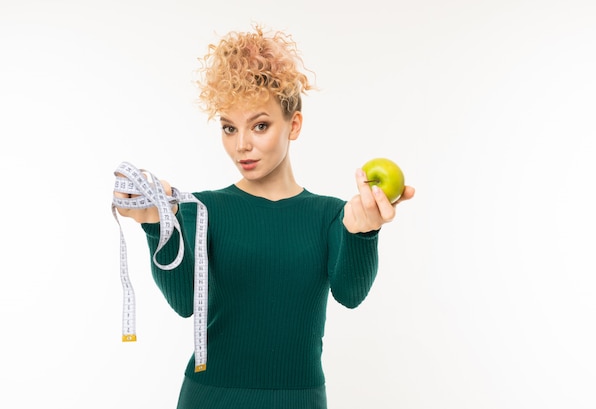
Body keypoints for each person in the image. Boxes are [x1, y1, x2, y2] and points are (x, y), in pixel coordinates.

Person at [113, 24, 415, 409]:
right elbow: (184, 302)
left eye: (260, 125)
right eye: (228, 128)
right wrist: (155, 224)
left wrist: (363, 232)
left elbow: (350, 295)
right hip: (210, 397)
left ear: (294, 125)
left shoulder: (331, 215)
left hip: (299, 400)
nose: (242, 145)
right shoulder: (200, 209)